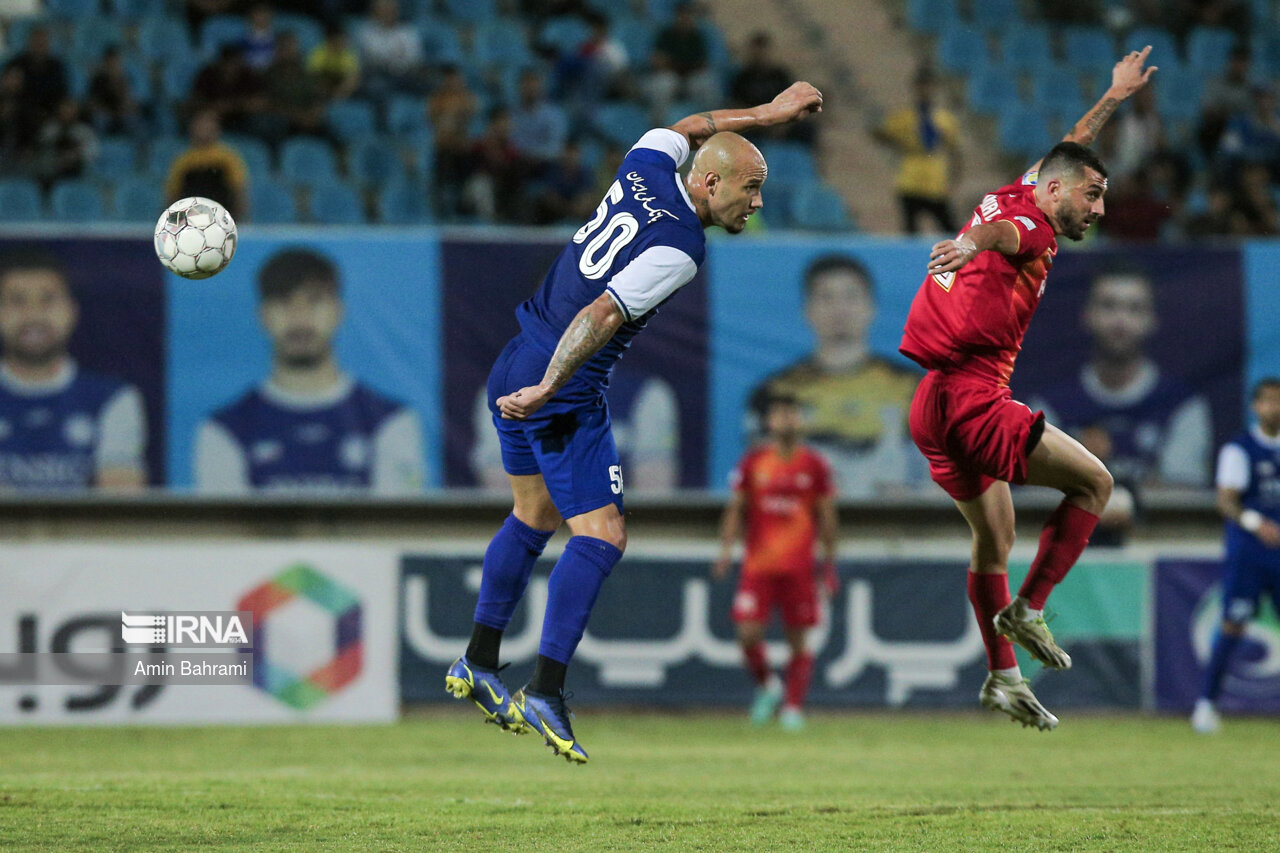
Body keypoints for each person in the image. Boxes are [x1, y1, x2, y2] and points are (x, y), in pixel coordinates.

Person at [444, 82, 823, 763]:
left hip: (514, 352)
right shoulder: (680, 247)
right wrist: (549, 387)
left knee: (532, 516)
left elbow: (685, 123)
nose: (757, 202)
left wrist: (765, 116)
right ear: (708, 182)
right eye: (751, 187)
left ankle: (477, 660)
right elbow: (601, 316)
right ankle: (547, 687)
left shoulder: (644, 164)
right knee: (603, 534)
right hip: (558, 380)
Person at [898, 48, 1156, 731]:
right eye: (1092, 196)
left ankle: (1003, 675)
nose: (1097, 209)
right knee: (1097, 485)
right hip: (978, 398)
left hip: (931, 404)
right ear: (1056, 191)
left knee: (995, 539)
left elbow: (1072, 147)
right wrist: (973, 244)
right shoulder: (1030, 222)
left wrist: (1112, 94)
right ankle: (1030, 608)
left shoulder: (1028, 186)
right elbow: (1007, 234)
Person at [194, 248, 425, 494]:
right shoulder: (223, 430)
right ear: (263, 316)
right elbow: (226, 529)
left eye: (314, 300)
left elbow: (395, 528)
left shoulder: (392, 422)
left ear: (338, 312)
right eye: (284, 301)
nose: (300, 318)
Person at [748, 255, 922, 498]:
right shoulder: (775, 391)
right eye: (826, 297)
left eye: (851, 296)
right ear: (806, 310)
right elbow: (761, 475)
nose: (839, 309)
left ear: (871, 307)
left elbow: (944, 470)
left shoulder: (914, 387)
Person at [714, 393, 836, 732]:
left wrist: (829, 563)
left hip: (799, 568)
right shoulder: (754, 462)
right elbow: (736, 508)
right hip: (759, 566)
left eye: (793, 414)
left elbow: (826, 516)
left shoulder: (814, 465)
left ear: (801, 421)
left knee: (799, 638)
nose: (787, 420)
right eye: (781, 414)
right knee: (747, 635)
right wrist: (725, 551)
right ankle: (769, 686)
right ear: (769, 422)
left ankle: (793, 708)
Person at [1030, 267, 1212, 489]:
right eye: (1108, 305)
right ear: (1087, 315)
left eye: (1134, 308)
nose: (1120, 321)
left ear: (1152, 319)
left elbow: (1184, 498)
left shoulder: (1183, 406)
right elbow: (1035, 495)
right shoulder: (1048, 409)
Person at [0, 249, 146, 490]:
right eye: (17, 301)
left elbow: (120, 507)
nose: (33, 315)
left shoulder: (114, 399)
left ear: (71, 311)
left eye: (47, 300)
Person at [1192, 378, 1280, 734]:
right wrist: (1255, 521)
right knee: (1233, 623)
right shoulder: (1239, 449)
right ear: (1255, 407)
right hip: (1251, 554)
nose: (1275, 407)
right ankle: (1206, 704)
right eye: (1269, 401)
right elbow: (1226, 499)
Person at [872, 67, 961, 235]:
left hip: (935, 181)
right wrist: (896, 142)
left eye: (928, 86)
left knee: (950, 229)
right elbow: (882, 135)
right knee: (910, 232)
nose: (924, 91)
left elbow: (954, 151)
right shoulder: (904, 117)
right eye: (921, 86)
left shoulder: (944, 118)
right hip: (910, 181)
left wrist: (955, 178)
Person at [165, 109, 249, 221]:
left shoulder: (228, 157)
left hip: (221, 220)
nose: (204, 129)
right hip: (190, 222)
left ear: (217, 129)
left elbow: (238, 192)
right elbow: (172, 195)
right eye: (200, 125)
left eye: (208, 125)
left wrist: (240, 220)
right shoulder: (183, 160)